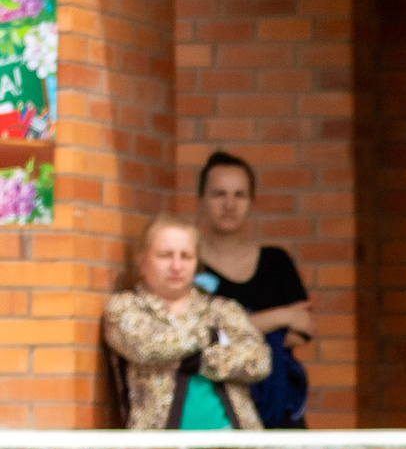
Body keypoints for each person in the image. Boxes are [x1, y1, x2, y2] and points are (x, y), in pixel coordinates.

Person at [101, 215, 269, 430]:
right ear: (142, 261)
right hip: (157, 443)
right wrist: (211, 337)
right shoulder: (125, 308)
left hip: (233, 440)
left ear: (197, 263)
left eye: (186, 256)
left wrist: (197, 361)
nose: (176, 265)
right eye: (165, 255)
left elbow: (259, 360)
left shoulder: (222, 309)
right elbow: (147, 346)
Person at [193, 151, 312, 428]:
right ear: (200, 200)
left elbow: (303, 329)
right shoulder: (188, 265)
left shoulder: (276, 261)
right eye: (219, 194)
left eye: (240, 195)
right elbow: (200, 336)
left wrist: (232, 336)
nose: (229, 204)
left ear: (251, 201)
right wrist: (282, 317)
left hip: (278, 402)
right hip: (217, 408)